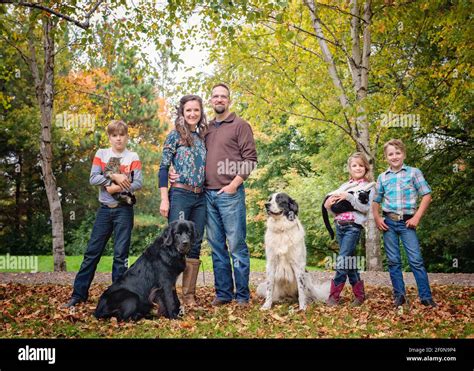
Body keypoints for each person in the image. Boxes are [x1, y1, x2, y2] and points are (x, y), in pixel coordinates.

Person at [65, 120, 142, 307]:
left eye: (122, 135)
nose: (118, 138)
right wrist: (113, 177)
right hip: (104, 211)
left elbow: (138, 182)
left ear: (126, 137)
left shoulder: (132, 156)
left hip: (124, 211)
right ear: (109, 137)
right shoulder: (102, 153)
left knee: (120, 256)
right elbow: (93, 177)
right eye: (114, 135)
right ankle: (78, 295)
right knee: (92, 253)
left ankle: (117, 299)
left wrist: (116, 190)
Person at [204, 83, 257, 306]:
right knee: (217, 247)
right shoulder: (205, 128)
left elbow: (250, 160)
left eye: (223, 96)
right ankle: (223, 293)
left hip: (230, 194)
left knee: (236, 246)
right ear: (210, 100)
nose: (219, 100)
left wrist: (234, 185)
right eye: (215, 96)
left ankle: (242, 295)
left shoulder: (240, 125)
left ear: (229, 100)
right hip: (207, 195)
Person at [372, 138, 437, 308]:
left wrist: (416, 217)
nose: (394, 157)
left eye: (397, 153)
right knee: (393, 261)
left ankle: (426, 297)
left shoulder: (413, 173)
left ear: (404, 154)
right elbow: (376, 200)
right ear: (386, 157)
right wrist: (377, 218)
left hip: (408, 222)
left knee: (415, 260)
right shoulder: (382, 177)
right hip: (389, 223)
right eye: (390, 154)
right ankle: (399, 296)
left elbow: (427, 195)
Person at [158, 94, 208, 306]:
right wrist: (164, 199)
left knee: (194, 243)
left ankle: (188, 295)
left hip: (201, 196)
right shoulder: (174, 136)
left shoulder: (203, 137)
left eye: (196, 110)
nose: (192, 114)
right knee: (173, 244)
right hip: (179, 194)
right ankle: (168, 295)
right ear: (182, 112)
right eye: (188, 110)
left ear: (200, 112)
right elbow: (163, 168)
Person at [324, 152, 374, 306]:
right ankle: (359, 296)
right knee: (350, 262)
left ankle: (333, 297)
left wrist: (349, 197)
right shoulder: (344, 186)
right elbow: (335, 210)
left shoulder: (369, 186)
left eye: (360, 165)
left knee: (342, 260)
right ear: (349, 168)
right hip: (340, 226)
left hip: (353, 227)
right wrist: (328, 207)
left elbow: (365, 208)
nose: (357, 168)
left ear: (365, 167)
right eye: (354, 165)